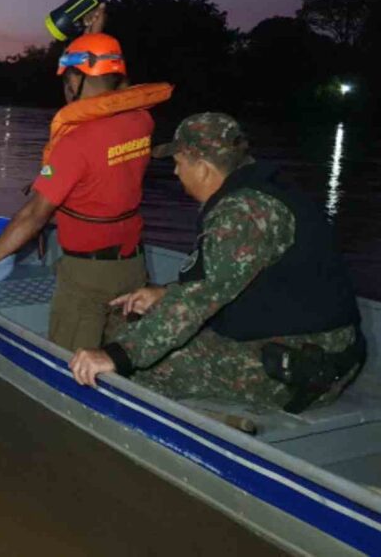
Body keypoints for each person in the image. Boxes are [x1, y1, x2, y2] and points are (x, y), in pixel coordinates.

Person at [69, 113, 365, 413]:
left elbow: (196, 301)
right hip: (300, 338)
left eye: (179, 162)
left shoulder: (241, 213)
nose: (175, 171)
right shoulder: (261, 189)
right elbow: (224, 275)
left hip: (304, 364)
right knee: (125, 321)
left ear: (204, 168)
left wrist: (117, 356)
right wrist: (165, 294)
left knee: (134, 364)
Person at [0, 30, 172, 352]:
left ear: (75, 79)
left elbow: (33, 216)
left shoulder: (75, 144)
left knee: (72, 363)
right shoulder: (141, 120)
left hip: (87, 277)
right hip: (132, 266)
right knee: (117, 353)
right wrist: (96, 33)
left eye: (68, 77)